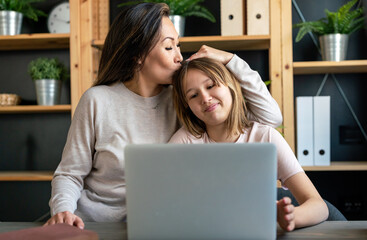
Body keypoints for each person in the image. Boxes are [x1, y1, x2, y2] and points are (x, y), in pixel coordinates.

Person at [44, 2, 282, 229]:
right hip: (94, 225)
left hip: (159, 223)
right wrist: (63, 211)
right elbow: (70, 173)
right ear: (138, 55)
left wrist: (231, 60)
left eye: (178, 46)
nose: (179, 56)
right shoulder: (97, 100)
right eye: (169, 47)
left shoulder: (186, 100)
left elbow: (270, 117)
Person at [169, 57, 329, 231]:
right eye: (193, 95)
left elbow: (319, 206)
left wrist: (291, 217)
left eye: (210, 86)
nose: (205, 98)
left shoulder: (265, 137)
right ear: (187, 106)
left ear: (230, 86)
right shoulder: (184, 142)